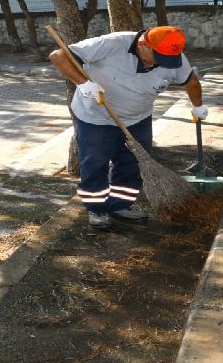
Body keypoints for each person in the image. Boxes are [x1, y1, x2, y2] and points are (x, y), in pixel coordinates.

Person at [49, 26, 207, 231]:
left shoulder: (172, 55)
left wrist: (198, 106)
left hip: (138, 119)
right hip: (96, 118)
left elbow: (190, 81)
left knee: (132, 164)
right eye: (157, 57)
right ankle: (96, 208)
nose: (160, 64)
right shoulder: (113, 44)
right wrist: (83, 84)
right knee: (95, 164)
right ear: (143, 45)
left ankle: (120, 205)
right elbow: (58, 55)